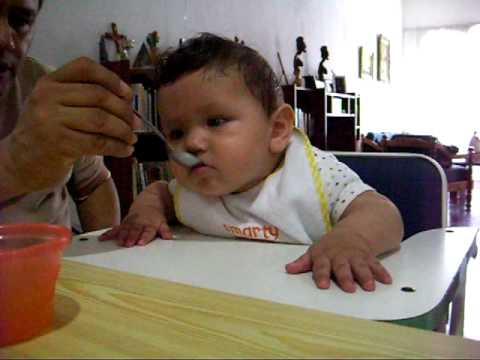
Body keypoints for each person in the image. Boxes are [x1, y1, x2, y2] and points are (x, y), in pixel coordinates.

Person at [100, 33, 404, 293]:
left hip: (310, 304)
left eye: (215, 121)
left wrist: (351, 238)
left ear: (277, 130)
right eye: (176, 132)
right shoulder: (188, 189)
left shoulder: (315, 177)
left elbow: (384, 213)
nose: (191, 143)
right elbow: (161, 193)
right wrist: (146, 212)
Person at [0, 0, 141, 231]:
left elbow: (94, 184)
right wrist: (11, 167)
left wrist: (100, 256)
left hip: (57, 261)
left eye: (21, 21)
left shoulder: (44, 89)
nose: (5, 38)